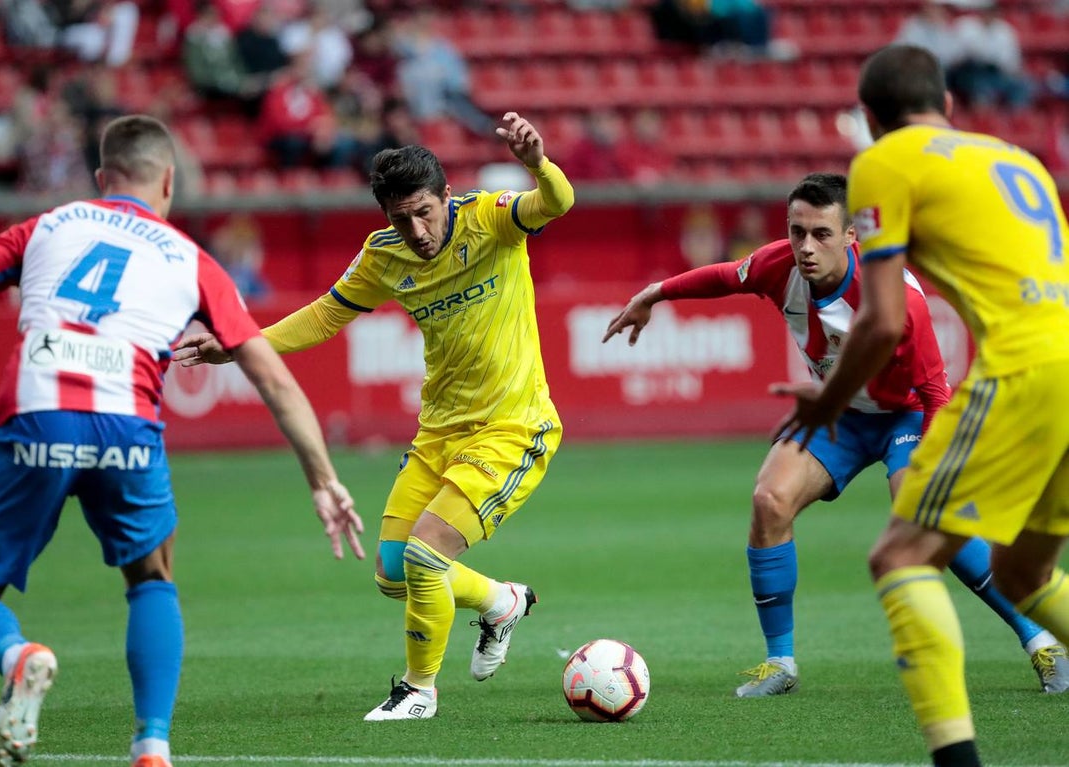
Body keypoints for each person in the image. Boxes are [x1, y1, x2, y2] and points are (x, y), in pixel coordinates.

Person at [0, 114, 364, 767]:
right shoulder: (191, 258)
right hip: (128, 426)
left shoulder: (49, 224)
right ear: (168, 180)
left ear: (103, 179)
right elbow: (272, 375)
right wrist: (323, 479)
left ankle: (17, 655)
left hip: (39, 413)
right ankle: (152, 743)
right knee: (152, 575)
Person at [603, 172, 1069, 699]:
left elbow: (937, 392)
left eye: (821, 234)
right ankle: (780, 662)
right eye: (796, 231)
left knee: (923, 515)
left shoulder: (896, 299)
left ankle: (1044, 641)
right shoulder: (778, 264)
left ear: (852, 236)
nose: (805, 246)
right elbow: (724, 277)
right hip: (841, 414)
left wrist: (935, 472)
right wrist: (655, 293)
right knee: (769, 500)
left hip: (908, 416)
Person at [174, 111, 575, 720]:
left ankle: (418, 691)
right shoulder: (384, 255)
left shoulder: (491, 218)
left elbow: (559, 202)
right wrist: (240, 342)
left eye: (424, 211)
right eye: (399, 218)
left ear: (447, 196)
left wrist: (538, 164)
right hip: (439, 431)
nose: (415, 229)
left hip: (513, 426)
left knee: (425, 557)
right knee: (395, 573)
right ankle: (500, 601)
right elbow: (323, 315)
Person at [771, 44, 1069, 767]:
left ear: (870, 121)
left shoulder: (887, 161)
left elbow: (881, 320)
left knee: (901, 553)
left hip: (1024, 369)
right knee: (1025, 571)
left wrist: (827, 402)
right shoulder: (1015, 158)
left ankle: (956, 760)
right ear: (950, 106)